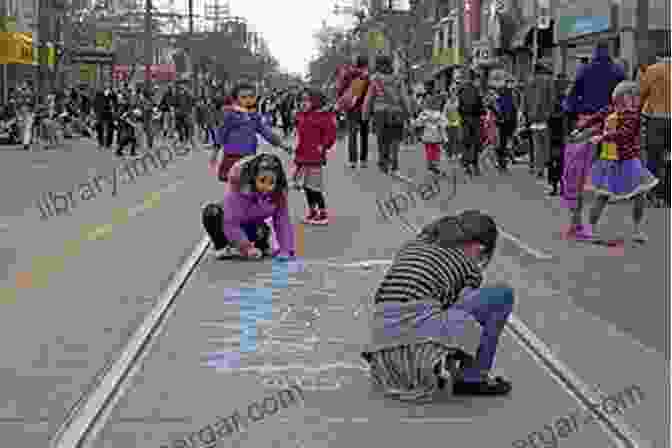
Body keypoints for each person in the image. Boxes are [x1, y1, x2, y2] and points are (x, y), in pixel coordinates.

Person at [361, 210, 513, 400]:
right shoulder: (468, 265)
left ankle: (431, 364)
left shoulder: (412, 246)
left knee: (437, 306)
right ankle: (473, 378)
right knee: (502, 295)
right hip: (414, 344)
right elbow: (466, 317)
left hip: (381, 349)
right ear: (478, 247)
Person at [575, 81, 659, 242]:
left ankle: (637, 230)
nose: (635, 100)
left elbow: (624, 133)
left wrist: (603, 137)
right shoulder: (611, 110)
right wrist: (580, 129)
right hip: (608, 160)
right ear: (620, 97)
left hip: (628, 159)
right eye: (631, 96)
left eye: (636, 97)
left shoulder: (633, 116)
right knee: (603, 196)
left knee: (640, 193)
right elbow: (596, 118)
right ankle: (591, 229)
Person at [202, 153, 295, 260]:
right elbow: (230, 222)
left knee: (261, 231)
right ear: (254, 177)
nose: (266, 187)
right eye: (262, 180)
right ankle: (222, 246)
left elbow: (282, 222)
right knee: (211, 212)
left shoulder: (277, 195)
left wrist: (286, 250)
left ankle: (261, 246)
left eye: (271, 182)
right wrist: (246, 247)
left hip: (251, 226)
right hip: (227, 226)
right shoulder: (239, 190)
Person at [210, 82, 292, 183]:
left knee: (247, 185)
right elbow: (221, 134)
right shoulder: (230, 115)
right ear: (235, 99)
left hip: (249, 156)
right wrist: (215, 152)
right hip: (232, 157)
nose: (248, 100)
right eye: (244, 97)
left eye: (251, 96)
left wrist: (282, 144)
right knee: (234, 185)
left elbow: (266, 132)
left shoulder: (254, 116)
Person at [292, 89, 337, 225]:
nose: (303, 103)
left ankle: (323, 214)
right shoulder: (300, 116)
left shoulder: (322, 115)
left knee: (315, 187)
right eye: (301, 100)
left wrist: (323, 146)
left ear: (315, 101)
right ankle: (312, 212)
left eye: (307, 100)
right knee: (306, 186)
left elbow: (331, 133)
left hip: (315, 157)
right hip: (302, 156)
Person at [362, 55, 411, 176]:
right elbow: (404, 98)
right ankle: (394, 164)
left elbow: (369, 99)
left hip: (380, 113)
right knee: (395, 139)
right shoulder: (398, 79)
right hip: (396, 112)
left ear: (378, 65)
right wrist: (408, 113)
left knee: (382, 139)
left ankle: (383, 164)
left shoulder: (375, 80)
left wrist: (365, 115)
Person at [639, 51, 670, 208]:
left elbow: (642, 95)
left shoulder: (653, 70)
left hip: (656, 120)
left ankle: (654, 194)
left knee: (654, 158)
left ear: (659, 57)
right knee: (669, 158)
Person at [336, 55, 370, 169]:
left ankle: (352, 161)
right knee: (364, 134)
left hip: (351, 108)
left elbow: (340, 90)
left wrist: (344, 99)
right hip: (364, 107)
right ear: (366, 65)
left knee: (352, 134)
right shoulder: (367, 76)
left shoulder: (348, 75)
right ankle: (364, 160)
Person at [524, 63, 555, 179]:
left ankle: (538, 168)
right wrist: (550, 113)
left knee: (536, 144)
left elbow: (525, 99)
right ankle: (545, 165)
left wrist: (526, 114)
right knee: (546, 144)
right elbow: (552, 99)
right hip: (545, 117)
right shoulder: (548, 81)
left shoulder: (529, 82)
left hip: (532, 117)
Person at [411, 94, 448, 175]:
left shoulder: (424, 113)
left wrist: (413, 122)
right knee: (436, 150)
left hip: (427, 136)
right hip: (436, 136)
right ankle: (435, 164)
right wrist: (445, 137)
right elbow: (443, 124)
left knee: (429, 150)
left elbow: (418, 123)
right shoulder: (439, 114)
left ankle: (430, 165)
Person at [457, 69, 484, 176]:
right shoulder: (476, 90)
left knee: (467, 143)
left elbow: (459, 107)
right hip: (475, 120)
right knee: (475, 143)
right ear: (474, 79)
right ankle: (475, 165)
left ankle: (467, 165)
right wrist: (482, 112)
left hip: (465, 120)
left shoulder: (462, 90)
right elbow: (480, 105)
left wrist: (462, 116)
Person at [442, 83, 462, 162]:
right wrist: (445, 122)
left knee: (458, 139)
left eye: (455, 90)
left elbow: (461, 112)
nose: (454, 92)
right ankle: (450, 154)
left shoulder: (459, 101)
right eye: (452, 90)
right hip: (449, 124)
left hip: (458, 123)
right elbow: (444, 113)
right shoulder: (447, 103)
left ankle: (457, 153)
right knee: (450, 140)